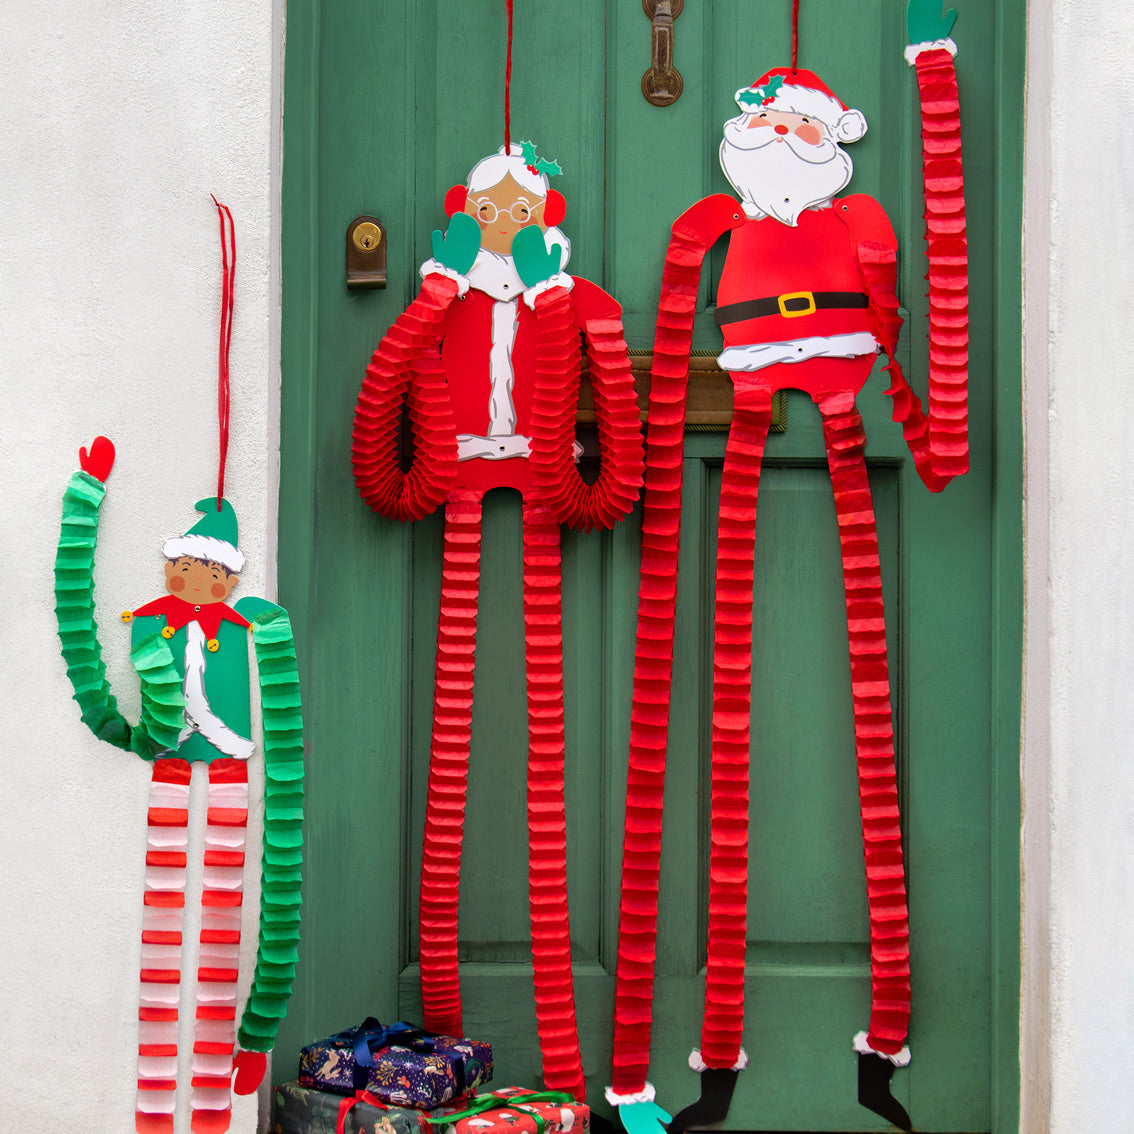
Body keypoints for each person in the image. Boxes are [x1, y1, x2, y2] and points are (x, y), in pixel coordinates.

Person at [608, 57, 968, 1134]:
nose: (785, 139)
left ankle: (883, 1044)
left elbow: (908, 299)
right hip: (754, 388)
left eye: (802, 129)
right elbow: (678, 307)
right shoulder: (721, 216)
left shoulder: (856, 218)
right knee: (721, 701)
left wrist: (936, 77)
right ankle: (709, 1061)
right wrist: (659, 417)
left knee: (865, 683)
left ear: (833, 136)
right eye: (773, 126)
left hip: (848, 390)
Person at [352, 142, 644, 1102]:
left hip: (544, 475)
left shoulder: (576, 299)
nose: (507, 226)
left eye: (521, 209)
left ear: (547, 213)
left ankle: (564, 1071)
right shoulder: (447, 304)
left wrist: (560, 303)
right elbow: (383, 435)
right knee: (450, 743)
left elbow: (617, 472)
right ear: (464, 216)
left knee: (546, 748)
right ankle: (446, 1051)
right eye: (491, 211)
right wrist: (435, 291)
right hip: (459, 478)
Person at [55, 437, 304, 1134]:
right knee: (167, 909)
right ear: (173, 567)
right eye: (184, 565)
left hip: (228, 766)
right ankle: (158, 1109)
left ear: (227, 579)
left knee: (223, 908)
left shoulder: (248, 626)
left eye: (207, 569)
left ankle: (221, 1084)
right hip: (169, 763)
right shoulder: (154, 621)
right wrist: (86, 495)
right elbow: (81, 617)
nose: (193, 577)